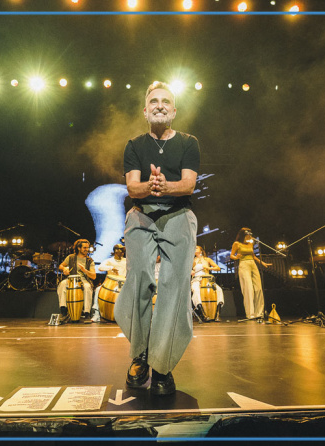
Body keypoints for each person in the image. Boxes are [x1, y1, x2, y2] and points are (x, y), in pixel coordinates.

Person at [114, 81, 199, 396]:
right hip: (141, 214)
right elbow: (133, 188)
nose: (160, 105)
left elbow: (188, 185)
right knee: (140, 279)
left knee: (174, 288)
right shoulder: (134, 145)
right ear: (145, 110)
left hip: (178, 215)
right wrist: (153, 186)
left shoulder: (189, 142)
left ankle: (163, 367)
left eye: (166, 101)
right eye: (154, 101)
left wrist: (167, 187)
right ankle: (140, 356)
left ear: (174, 110)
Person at [229, 228, 271, 319]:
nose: (250, 235)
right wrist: (236, 257)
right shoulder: (237, 244)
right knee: (248, 289)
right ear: (243, 235)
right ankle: (250, 314)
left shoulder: (251, 243)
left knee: (258, 288)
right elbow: (231, 255)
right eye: (248, 234)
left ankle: (259, 313)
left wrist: (263, 263)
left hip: (253, 264)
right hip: (244, 265)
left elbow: (253, 256)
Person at [57, 239, 96, 321]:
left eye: (87, 248)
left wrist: (85, 271)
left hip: (83, 280)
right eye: (84, 248)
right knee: (62, 284)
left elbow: (93, 276)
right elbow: (61, 266)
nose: (87, 249)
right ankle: (63, 311)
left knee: (87, 287)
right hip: (71, 279)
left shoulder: (90, 261)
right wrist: (64, 269)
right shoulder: (70, 257)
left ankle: (87, 314)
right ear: (79, 248)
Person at [91, 244, 127, 322]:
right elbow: (100, 267)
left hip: (123, 284)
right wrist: (111, 268)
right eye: (121, 250)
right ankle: (96, 314)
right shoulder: (109, 261)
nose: (122, 253)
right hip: (110, 284)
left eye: (123, 251)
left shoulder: (126, 261)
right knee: (98, 290)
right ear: (116, 251)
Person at [190, 245, 225, 321]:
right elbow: (186, 270)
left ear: (201, 250)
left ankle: (217, 314)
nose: (194, 249)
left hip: (207, 280)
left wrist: (209, 268)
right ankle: (203, 314)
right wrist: (191, 271)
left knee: (219, 290)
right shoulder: (192, 260)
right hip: (196, 279)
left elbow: (218, 268)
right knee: (196, 291)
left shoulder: (207, 259)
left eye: (196, 248)